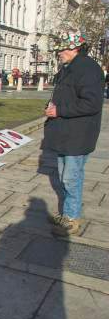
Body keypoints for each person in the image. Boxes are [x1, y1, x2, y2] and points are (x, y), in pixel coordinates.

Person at [44, 31, 103, 236]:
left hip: (77, 135)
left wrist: (59, 110)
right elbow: (63, 95)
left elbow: (91, 103)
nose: (58, 53)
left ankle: (71, 219)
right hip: (65, 133)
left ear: (74, 48)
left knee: (71, 178)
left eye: (61, 49)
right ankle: (68, 213)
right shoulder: (68, 68)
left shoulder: (88, 69)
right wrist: (51, 106)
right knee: (63, 176)